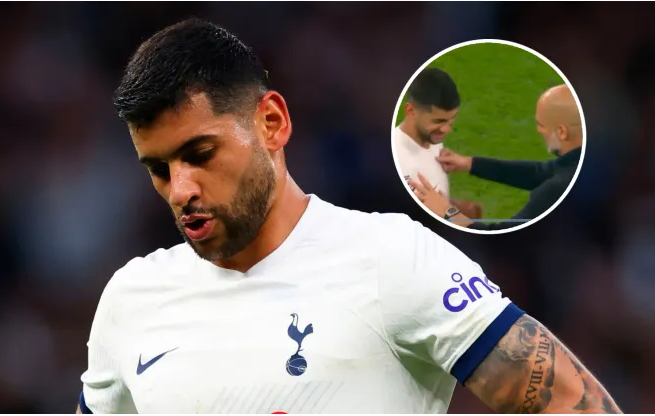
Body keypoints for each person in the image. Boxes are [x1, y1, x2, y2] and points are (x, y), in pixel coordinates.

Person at [77, 19, 619, 414]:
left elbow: (578, 405)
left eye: (200, 154)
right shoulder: (132, 299)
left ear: (271, 122)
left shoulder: (391, 259)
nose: (181, 190)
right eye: (158, 169)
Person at [410, 85, 583, 231]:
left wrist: (447, 211)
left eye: (541, 125)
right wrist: (469, 164)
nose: (538, 130)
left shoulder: (557, 188)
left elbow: (504, 236)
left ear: (561, 132)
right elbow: (541, 172)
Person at [393, 68, 482, 219]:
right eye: (439, 121)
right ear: (411, 111)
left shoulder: (429, 137)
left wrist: (456, 206)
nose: (447, 129)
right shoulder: (400, 164)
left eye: (451, 119)